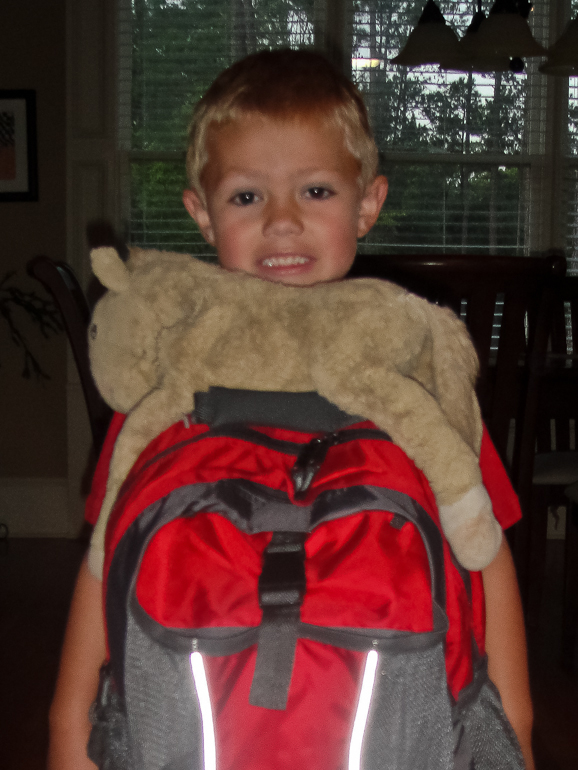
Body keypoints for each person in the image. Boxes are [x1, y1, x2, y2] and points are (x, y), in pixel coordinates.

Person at [48, 48, 534, 770]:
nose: (282, 223)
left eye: (315, 192)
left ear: (368, 202)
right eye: (247, 197)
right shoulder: (173, 384)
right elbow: (107, 554)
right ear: (202, 215)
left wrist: (511, 731)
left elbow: (484, 551)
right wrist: (68, 727)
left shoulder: (413, 367)